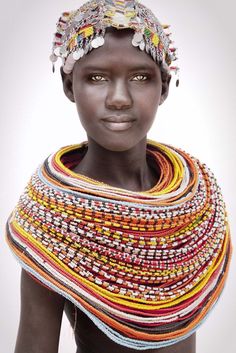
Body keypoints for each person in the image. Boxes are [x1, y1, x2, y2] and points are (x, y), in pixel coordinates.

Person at [6, 1, 232, 353]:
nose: (119, 99)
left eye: (140, 78)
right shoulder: (54, 222)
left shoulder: (198, 198)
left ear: (164, 87)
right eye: (96, 78)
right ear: (69, 86)